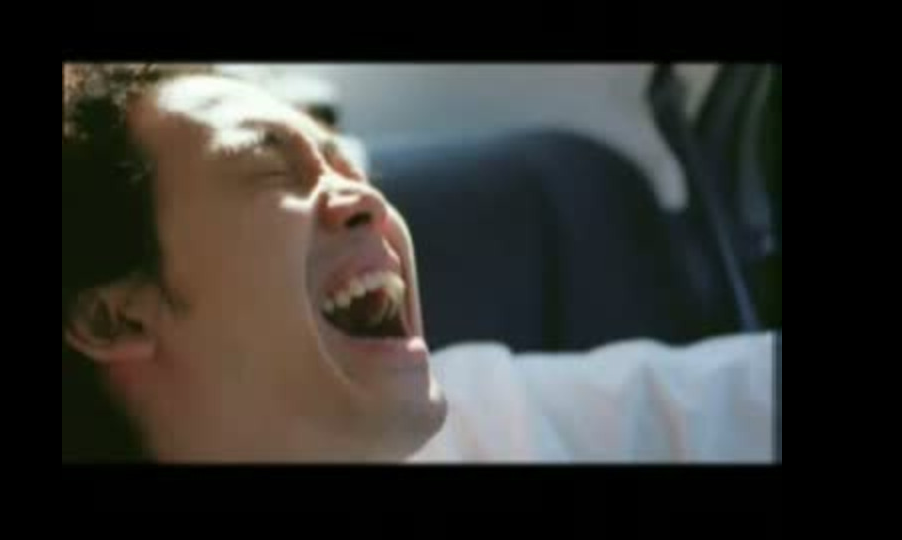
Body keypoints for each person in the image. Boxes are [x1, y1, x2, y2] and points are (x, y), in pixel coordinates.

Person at [62, 64, 776, 463]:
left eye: (346, 166)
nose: (367, 199)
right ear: (113, 315)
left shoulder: (485, 423)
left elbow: (729, 402)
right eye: (269, 168)